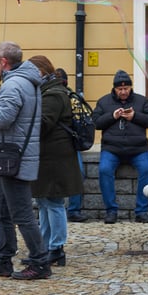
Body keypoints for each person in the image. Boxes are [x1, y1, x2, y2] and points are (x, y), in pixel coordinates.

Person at [0, 41, 50, 280]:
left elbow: (3, 119)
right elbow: (17, 112)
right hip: (12, 155)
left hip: (12, 157)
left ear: (4, 61)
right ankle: (3, 260)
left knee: (22, 214)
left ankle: (40, 263)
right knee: (1, 211)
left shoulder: (14, 84)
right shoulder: (21, 81)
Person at [28, 56, 83, 267]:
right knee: (44, 201)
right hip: (48, 157)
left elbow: (42, 124)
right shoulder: (47, 91)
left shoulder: (54, 94)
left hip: (55, 159)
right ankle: (44, 247)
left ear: (41, 72)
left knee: (54, 203)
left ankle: (56, 248)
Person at [92, 69, 148, 224]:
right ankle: (111, 211)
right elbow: (95, 122)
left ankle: (142, 211)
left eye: (126, 88)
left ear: (131, 87)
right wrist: (112, 116)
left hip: (138, 149)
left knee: (146, 170)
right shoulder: (104, 102)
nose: (123, 91)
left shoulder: (141, 101)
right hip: (112, 149)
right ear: (114, 89)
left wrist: (135, 116)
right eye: (120, 89)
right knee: (104, 170)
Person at [55, 68, 88, 223]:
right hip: (52, 144)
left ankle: (74, 210)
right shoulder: (48, 97)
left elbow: (83, 120)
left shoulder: (73, 98)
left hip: (70, 143)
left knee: (78, 173)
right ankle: (52, 210)